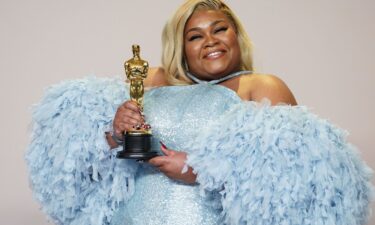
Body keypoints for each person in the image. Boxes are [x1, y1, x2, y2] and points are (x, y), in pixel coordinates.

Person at [26, 0, 373, 225]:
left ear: (236, 35)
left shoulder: (261, 86)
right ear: (182, 47)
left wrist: (203, 169)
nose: (210, 41)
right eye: (195, 36)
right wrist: (115, 132)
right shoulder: (152, 81)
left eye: (220, 29)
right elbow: (96, 165)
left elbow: (295, 180)